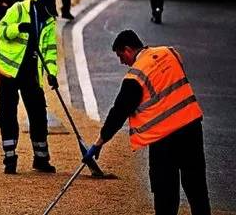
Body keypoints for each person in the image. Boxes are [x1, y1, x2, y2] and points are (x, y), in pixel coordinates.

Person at [84, 30, 210, 215]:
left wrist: (98, 143)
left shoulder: (135, 76)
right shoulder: (170, 53)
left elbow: (118, 113)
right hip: (191, 127)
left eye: (121, 55)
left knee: (165, 192)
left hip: (164, 138)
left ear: (127, 49)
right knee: (197, 187)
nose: (122, 62)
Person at [0, 0, 59, 174]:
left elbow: (49, 51)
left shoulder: (48, 22)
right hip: (10, 70)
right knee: (8, 113)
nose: (49, 15)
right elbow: (0, 31)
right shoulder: (18, 9)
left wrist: (52, 73)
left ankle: (41, 158)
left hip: (31, 73)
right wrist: (19, 28)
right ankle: (10, 158)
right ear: (39, 5)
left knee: (38, 113)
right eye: (47, 11)